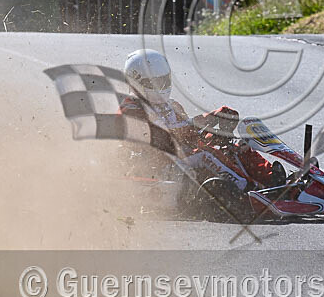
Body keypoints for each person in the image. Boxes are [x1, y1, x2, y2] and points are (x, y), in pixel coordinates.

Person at [119, 49, 279, 191]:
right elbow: (163, 138)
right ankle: (249, 190)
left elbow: (189, 136)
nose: (161, 87)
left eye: (163, 81)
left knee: (235, 147)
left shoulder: (172, 106)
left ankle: (275, 181)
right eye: (154, 83)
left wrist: (214, 135)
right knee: (205, 155)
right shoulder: (131, 109)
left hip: (181, 160)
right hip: (153, 166)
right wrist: (209, 120)